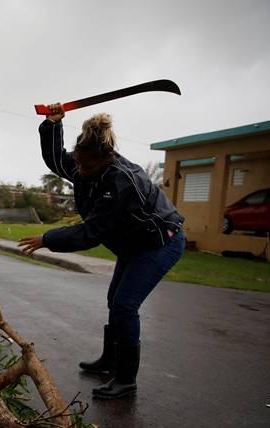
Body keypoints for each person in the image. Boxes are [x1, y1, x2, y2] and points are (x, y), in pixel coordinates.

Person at [18, 103, 185, 399]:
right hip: (133, 243)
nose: (80, 173)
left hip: (161, 241)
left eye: (88, 167)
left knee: (124, 304)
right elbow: (57, 159)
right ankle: (110, 361)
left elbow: (91, 233)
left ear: (106, 158)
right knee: (115, 301)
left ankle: (125, 379)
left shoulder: (122, 181)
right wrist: (52, 124)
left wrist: (47, 239)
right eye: (78, 165)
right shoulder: (86, 163)